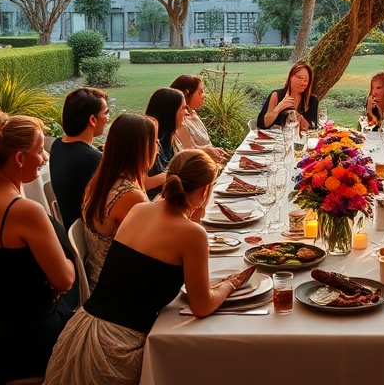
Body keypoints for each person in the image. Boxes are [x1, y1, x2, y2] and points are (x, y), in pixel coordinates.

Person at [44, 150, 250, 385]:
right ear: (205, 190)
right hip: (116, 348)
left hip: (82, 329)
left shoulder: (139, 210)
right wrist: (230, 285)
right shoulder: (192, 234)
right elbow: (202, 306)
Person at [0, 109, 75, 384]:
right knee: (96, 341)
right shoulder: (25, 211)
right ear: (20, 158)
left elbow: (1, 268)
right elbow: (65, 280)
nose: (45, 157)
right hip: (21, 338)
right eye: (40, 150)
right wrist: (69, 265)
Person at [82, 114, 157, 290]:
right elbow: (151, 250)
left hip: (101, 277)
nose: (157, 148)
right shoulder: (130, 195)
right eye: (154, 142)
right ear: (142, 149)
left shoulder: (100, 180)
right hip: (117, 288)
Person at [50, 87, 107, 231]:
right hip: (89, 232)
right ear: (92, 120)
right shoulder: (93, 160)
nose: (108, 118)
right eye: (106, 113)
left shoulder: (57, 145)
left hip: (71, 227)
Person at [170, 74, 229, 163]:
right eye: (200, 92)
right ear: (187, 93)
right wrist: (208, 151)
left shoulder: (193, 114)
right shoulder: (180, 119)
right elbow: (188, 149)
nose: (204, 95)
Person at [256, 61, 319, 130]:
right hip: (275, 137)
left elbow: (313, 128)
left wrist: (299, 117)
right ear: (291, 77)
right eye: (300, 78)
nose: (303, 83)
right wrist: (279, 108)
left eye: (306, 80)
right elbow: (261, 124)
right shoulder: (276, 96)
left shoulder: (312, 101)